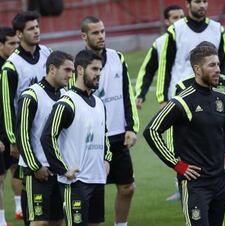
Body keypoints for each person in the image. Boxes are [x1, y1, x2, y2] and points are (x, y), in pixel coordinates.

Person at [144, 41, 225, 226]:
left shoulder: (222, 98)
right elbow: (151, 131)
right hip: (195, 184)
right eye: (211, 65)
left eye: (218, 64)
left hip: (220, 180)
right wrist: (177, 164)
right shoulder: (182, 102)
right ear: (197, 69)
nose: (217, 69)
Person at [41, 50, 112, 226]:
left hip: (97, 178)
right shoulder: (67, 102)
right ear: (80, 70)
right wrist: (63, 169)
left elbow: (104, 136)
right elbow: (47, 137)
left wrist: (107, 159)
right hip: (76, 182)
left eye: (100, 69)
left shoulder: (99, 103)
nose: (98, 74)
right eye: (94, 69)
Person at [79, 16, 139, 226]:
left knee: (127, 187)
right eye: (95, 33)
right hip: (91, 140)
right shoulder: (79, 63)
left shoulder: (117, 58)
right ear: (84, 36)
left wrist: (131, 127)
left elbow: (127, 93)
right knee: (93, 191)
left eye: (103, 31)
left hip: (117, 136)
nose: (101, 36)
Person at [0, 11, 51, 222]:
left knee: (56, 197)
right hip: (27, 138)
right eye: (31, 28)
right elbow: (6, 105)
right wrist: (13, 139)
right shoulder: (11, 67)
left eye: (37, 26)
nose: (37, 31)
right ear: (19, 34)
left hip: (51, 133)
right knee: (35, 198)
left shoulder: (48, 53)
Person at [16, 51, 74, 226]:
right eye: (67, 70)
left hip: (59, 169)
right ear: (52, 69)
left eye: (72, 71)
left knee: (58, 220)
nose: (70, 75)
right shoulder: (30, 96)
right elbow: (22, 135)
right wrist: (35, 166)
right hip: (37, 171)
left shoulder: (67, 95)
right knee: (39, 222)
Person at [156, 0, 225, 106]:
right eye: (198, 1)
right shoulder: (175, 30)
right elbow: (164, 66)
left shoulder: (217, 29)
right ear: (188, 4)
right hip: (181, 96)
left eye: (205, 1)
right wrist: (162, 98)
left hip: (211, 95)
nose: (202, 5)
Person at [135, 4, 184, 110]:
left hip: (197, 95)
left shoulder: (193, 38)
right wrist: (141, 94)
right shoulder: (160, 43)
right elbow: (148, 71)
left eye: (182, 17)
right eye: (175, 18)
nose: (180, 21)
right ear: (167, 21)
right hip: (173, 97)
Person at [0, 27, 19, 226]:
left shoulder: (16, 65)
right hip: (0, 131)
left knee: (18, 169)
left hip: (14, 128)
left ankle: (21, 209)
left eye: (16, 43)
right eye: (11, 44)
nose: (15, 47)